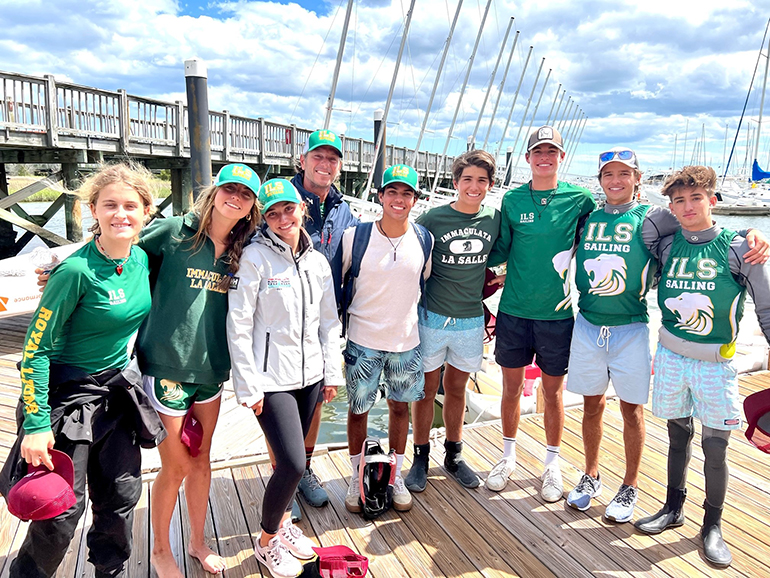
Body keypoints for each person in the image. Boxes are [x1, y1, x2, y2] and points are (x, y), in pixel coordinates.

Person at [565, 149, 769, 523]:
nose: (615, 180)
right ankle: (592, 475)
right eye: (608, 174)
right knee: (595, 406)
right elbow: (693, 228)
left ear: (637, 178)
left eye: (624, 173)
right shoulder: (588, 218)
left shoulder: (655, 218)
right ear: (599, 180)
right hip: (590, 325)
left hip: (634, 327)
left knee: (634, 410)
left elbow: (706, 231)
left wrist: (749, 233)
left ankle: (634, 488)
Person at [2, 163, 163, 578]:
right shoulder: (74, 272)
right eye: (110, 205)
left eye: (131, 206)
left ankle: (108, 572)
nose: (120, 214)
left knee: (121, 498)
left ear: (146, 211)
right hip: (67, 398)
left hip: (116, 395)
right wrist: (37, 425)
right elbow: (34, 350)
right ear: (92, 209)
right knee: (58, 514)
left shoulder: (142, 259)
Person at [634, 166, 770, 568]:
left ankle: (712, 525)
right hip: (673, 358)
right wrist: (667, 206)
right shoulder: (667, 244)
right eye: (679, 200)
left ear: (714, 200)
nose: (687, 206)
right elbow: (647, 222)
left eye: (696, 198)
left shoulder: (738, 248)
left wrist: (751, 237)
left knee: (715, 445)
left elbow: (766, 306)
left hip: (715, 363)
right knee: (677, 436)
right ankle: (673, 507)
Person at [140, 163, 261, 578]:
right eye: (229, 188)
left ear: (250, 208)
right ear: (214, 191)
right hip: (166, 364)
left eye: (245, 195)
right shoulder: (174, 231)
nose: (236, 197)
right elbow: (121, 255)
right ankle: (160, 550)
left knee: (202, 459)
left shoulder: (244, 249)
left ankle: (196, 541)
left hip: (212, 370)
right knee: (174, 465)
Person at [227, 178, 343, 578]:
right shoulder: (254, 258)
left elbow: (329, 322)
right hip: (270, 379)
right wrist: (248, 386)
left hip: (311, 375)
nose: (281, 219)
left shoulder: (317, 262)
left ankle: (284, 525)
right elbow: (238, 325)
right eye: (272, 213)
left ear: (302, 208)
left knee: (299, 457)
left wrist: (332, 373)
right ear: (264, 217)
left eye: (288, 209)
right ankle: (265, 541)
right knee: (292, 463)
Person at [486, 126, 596, 501]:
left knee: (553, 393)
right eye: (538, 151)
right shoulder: (512, 200)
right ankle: (507, 456)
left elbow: (611, 229)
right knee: (511, 389)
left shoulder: (581, 200)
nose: (544, 157)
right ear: (528, 157)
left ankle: (552, 464)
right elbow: (497, 251)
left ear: (561, 158)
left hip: (558, 314)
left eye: (551, 152)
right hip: (514, 311)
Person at [405, 149, 501, 492]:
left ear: (490, 184)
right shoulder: (433, 218)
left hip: (470, 320)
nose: (473, 187)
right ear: (456, 182)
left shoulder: (494, 219)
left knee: (457, 389)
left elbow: (503, 259)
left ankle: (454, 455)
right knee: (426, 390)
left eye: (481, 180)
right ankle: (419, 457)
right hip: (431, 318)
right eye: (467, 180)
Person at [342, 164, 433, 514]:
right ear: (381, 196)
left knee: (399, 407)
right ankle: (355, 475)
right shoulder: (356, 236)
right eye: (392, 192)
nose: (399, 199)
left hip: (406, 342)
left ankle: (393, 476)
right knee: (358, 410)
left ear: (415, 199)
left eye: (406, 193)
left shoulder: (425, 239)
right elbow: (343, 279)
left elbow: (422, 282)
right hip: (362, 340)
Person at [278, 129, 357, 512]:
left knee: (315, 401)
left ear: (339, 166)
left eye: (332, 159)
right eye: (318, 157)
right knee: (279, 405)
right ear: (303, 159)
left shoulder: (344, 209)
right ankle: (284, 476)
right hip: (280, 322)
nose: (325, 165)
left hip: (324, 320)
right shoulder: (283, 198)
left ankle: (303, 470)